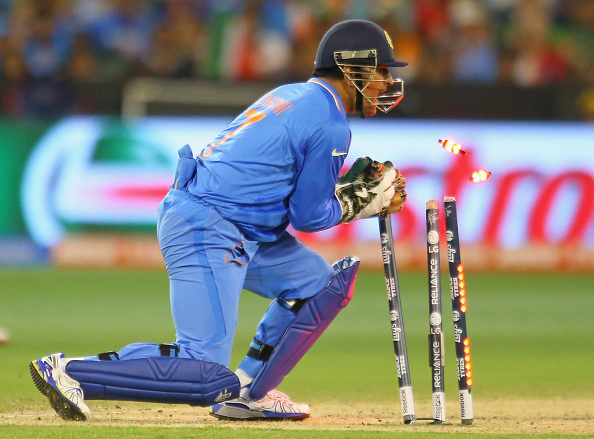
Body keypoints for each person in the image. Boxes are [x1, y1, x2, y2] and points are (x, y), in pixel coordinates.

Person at [29, 19, 408, 422]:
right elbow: (309, 215)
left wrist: (350, 196)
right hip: (210, 224)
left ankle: (249, 393)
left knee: (318, 284)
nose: (388, 82)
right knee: (205, 372)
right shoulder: (329, 123)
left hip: (239, 224)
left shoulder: (292, 94)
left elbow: (284, 188)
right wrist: (363, 203)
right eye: (382, 71)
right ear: (352, 69)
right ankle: (70, 371)